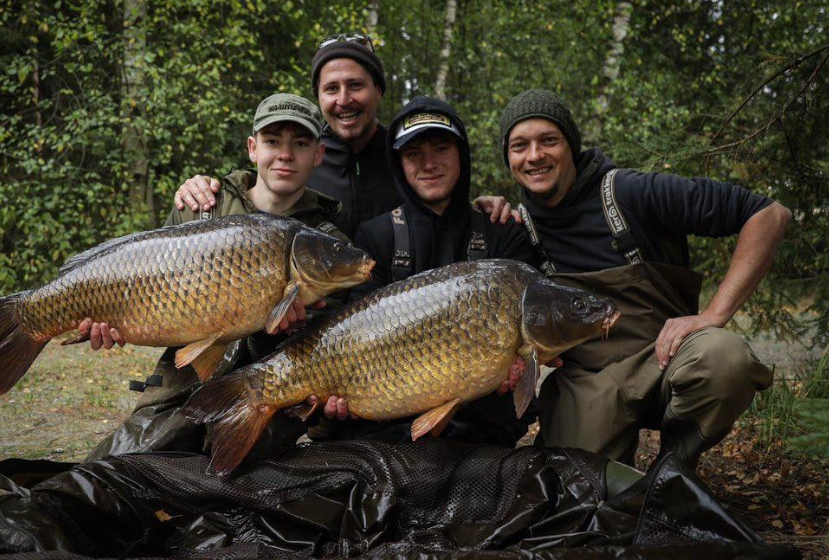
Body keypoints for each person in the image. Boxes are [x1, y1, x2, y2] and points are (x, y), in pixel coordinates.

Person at [483, 88, 791, 467]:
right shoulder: (518, 227)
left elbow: (769, 215)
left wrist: (714, 314)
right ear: (508, 158)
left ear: (571, 146)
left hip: (668, 362)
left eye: (549, 140)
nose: (534, 156)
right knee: (575, 496)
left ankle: (674, 470)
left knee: (724, 359)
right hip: (590, 382)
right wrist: (482, 210)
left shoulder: (631, 193)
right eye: (519, 145)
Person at [83, 93, 348, 459]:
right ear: (253, 149)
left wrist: (287, 329)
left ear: (318, 155)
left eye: (300, 144)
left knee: (237, 467)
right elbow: (143, 279)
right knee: (125, 462)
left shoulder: (327, 244)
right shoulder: (202, 205)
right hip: (185, 377)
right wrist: (111, 320)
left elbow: (325, 344)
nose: (285, 154)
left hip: (270, 384)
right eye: (273, 142)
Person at [311, 95, 540, 445]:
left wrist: (520, 366)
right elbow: (350, 336)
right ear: (398, 163)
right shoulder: (375, 236)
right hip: (389, 427)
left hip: (481, 428)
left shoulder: (501, 230)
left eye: (441, 149)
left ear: (461, 156)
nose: (428, 163)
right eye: (414, 154)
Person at [173, 33, 400, 238]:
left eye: (355, 85)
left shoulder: (407, 156)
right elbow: (254, 188)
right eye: (331, 89)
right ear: (319, 96)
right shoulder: (296, 162)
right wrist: (199, 189)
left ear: (378, 90)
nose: (343, 100)